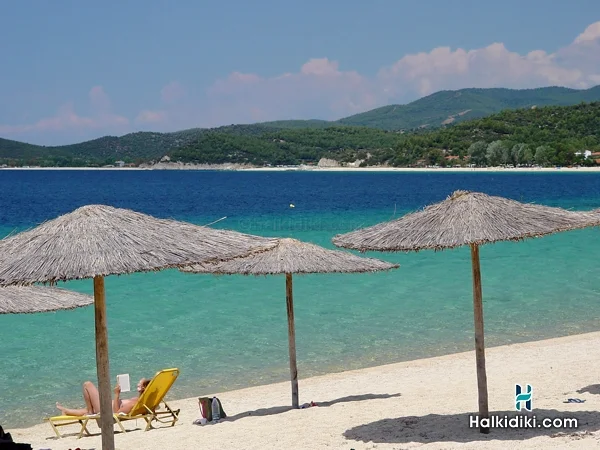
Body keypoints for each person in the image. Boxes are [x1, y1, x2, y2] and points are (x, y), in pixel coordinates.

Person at [56, 377, 151, 416]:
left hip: (105, 410)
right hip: (106, 406)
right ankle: (67, 411)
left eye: (140, 384)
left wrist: (117, 394)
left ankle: (90, 412)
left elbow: (117, 413)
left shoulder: (134, 403)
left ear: (143, 388)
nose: (137, 384)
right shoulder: (140, 401)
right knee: (87, 408)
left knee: (87, 384)